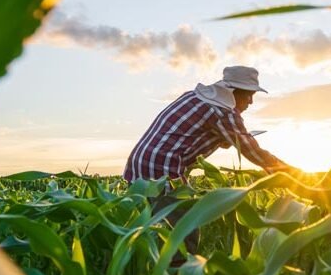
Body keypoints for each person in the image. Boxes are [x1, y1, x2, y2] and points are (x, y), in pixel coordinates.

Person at [123, 65, 293, 258]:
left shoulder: (196, 97)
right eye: (249, 95)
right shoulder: (223, 112)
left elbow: (188, 133)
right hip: (162, 168)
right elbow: (253, 152)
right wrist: (291, 175)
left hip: (141, 163)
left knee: (154, 223)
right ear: (233, 92)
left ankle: (148, 267)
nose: (251, 102)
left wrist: (222, 139)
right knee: (184, 225)